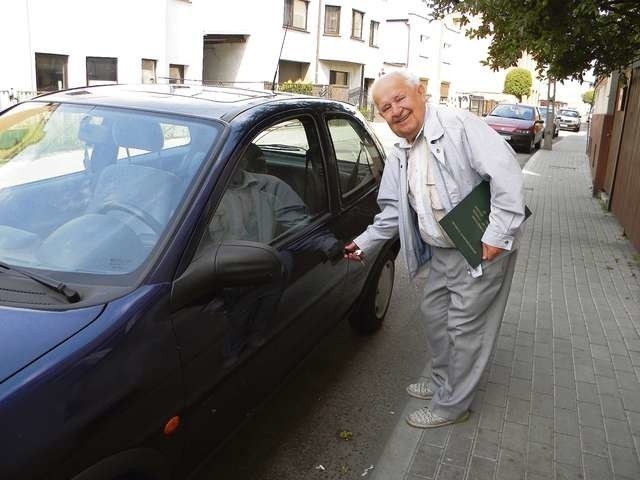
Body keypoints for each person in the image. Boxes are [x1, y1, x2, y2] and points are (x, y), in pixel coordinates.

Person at [344, 71, 525, 428]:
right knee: (433, 316)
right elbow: (394, 211)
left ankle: (451, 407)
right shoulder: (402, 152)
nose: (396, 110)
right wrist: (364, 243)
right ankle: (445, 381)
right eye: (385, 107)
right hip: (443, 250)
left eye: (400, 99)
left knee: (463, 328)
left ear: (420, 92)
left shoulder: (459, 126)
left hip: (479, 248)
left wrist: (496, 236)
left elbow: (508, 177)